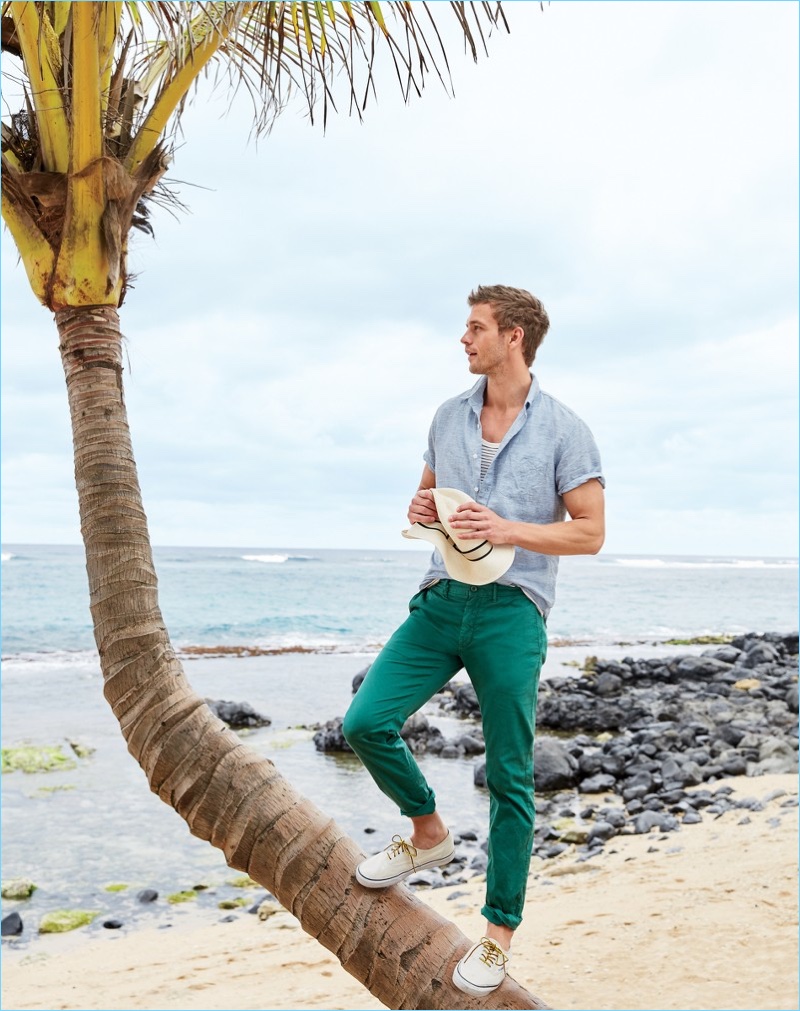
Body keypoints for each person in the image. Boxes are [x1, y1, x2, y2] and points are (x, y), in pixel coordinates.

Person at [342, 284, 605, 996]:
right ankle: (427, 831)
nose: (464, 339)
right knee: (365, 720)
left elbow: (590, 530)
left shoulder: (565, 429)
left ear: (513, 337)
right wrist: (423, 506)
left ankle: (496, 937)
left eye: (476, 328)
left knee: (511, 777)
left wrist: (511, 529)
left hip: (513, 611)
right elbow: (428, 496)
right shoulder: (446, 417)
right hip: (440, 599)